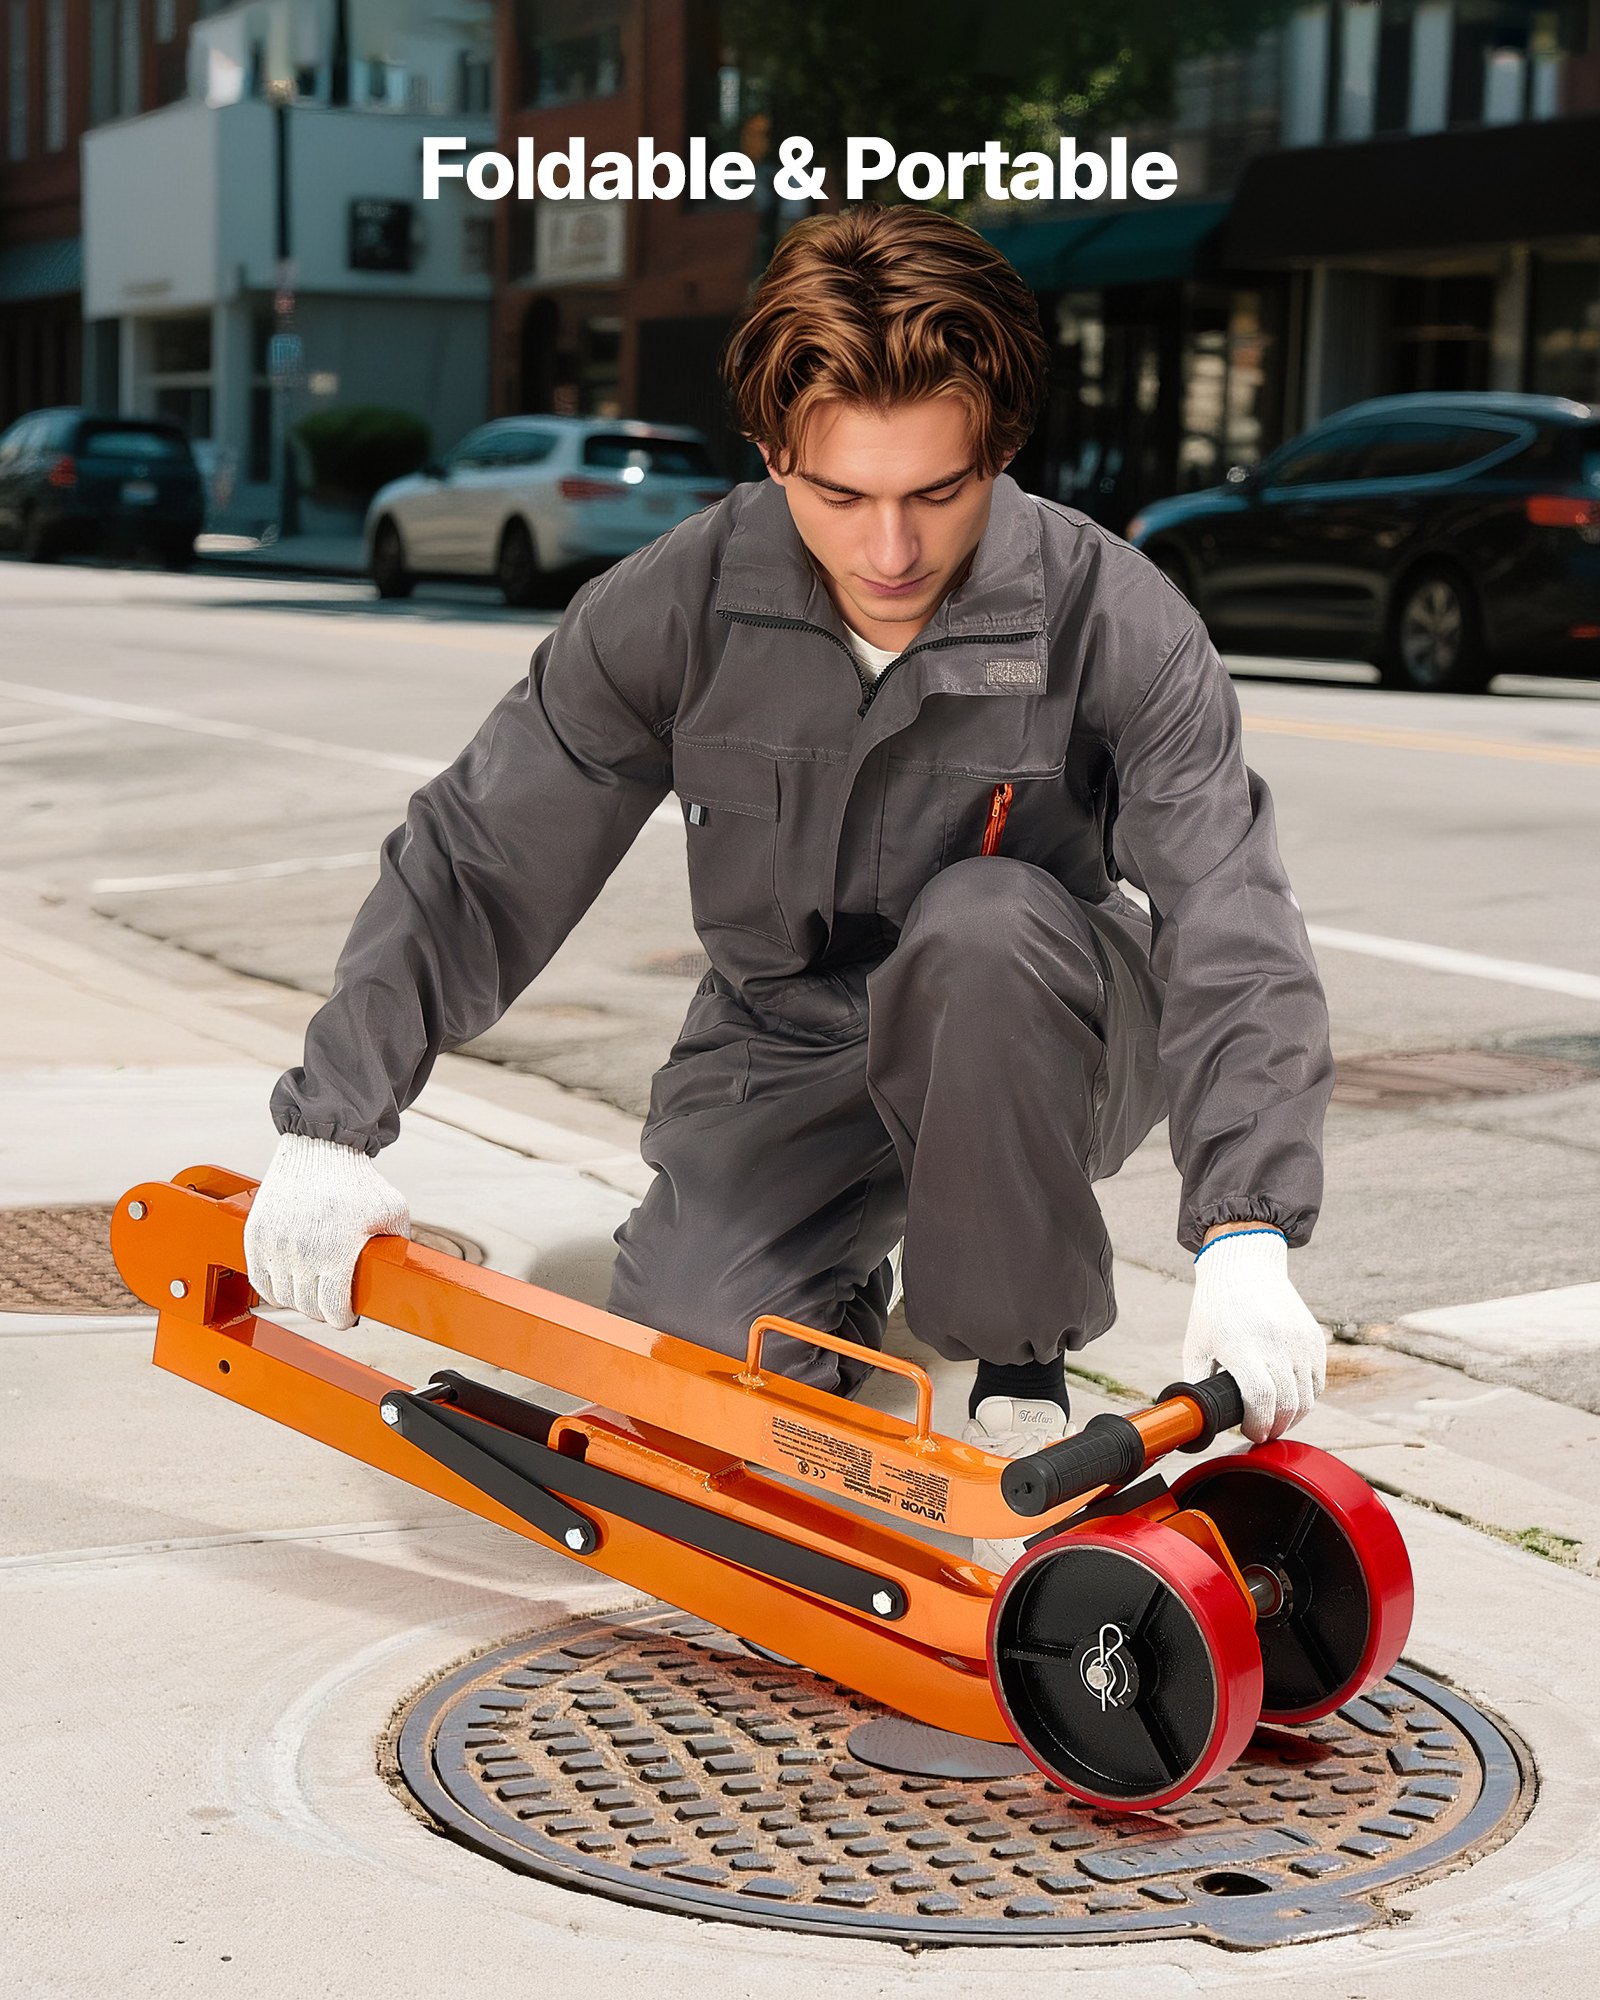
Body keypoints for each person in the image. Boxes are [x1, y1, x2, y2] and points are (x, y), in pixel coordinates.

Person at [244, 204, 1333, 1569]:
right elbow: (484, 850)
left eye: (937, 493)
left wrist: (1246, 1232)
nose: (891, 551)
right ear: (772, 456)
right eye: (841, 496)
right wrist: (337, 1126)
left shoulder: (1113, 617)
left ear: (998, 449)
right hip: (784, 1037)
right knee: (701, 1356)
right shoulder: (678, 605)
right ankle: (840, 1324)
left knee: (984, 923)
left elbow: (1235, 919)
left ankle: (1009, 1359)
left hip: (1044, 1020)